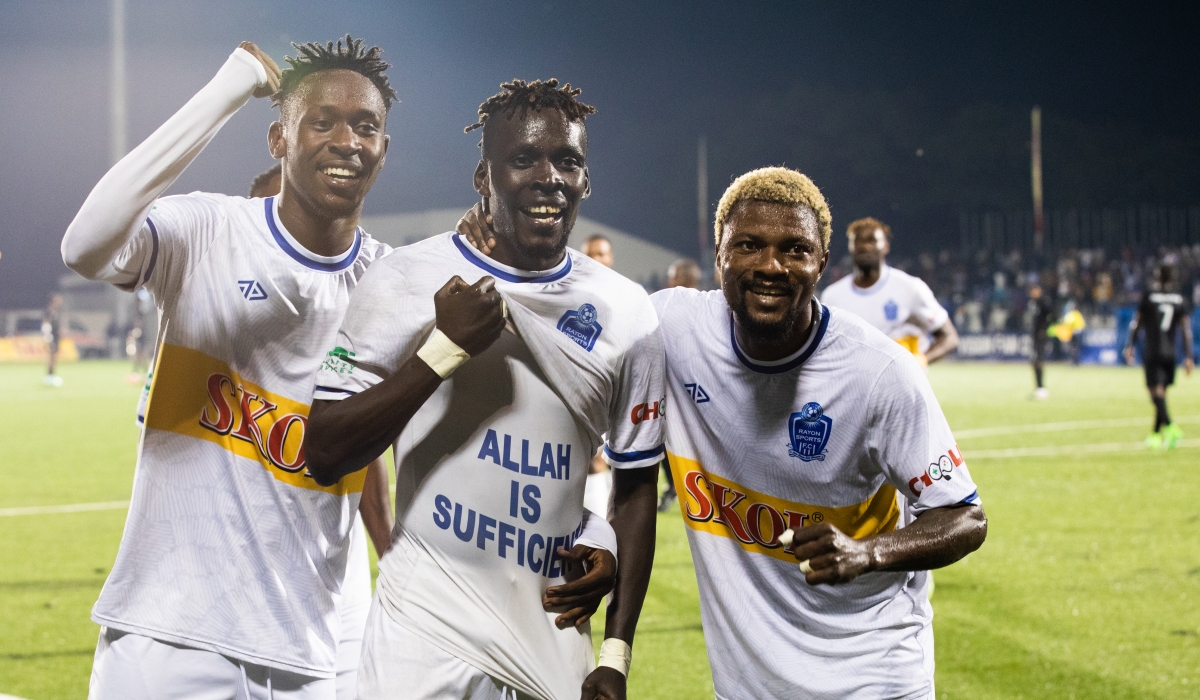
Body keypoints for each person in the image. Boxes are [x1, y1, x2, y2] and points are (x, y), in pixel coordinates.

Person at [62, 36, 398, 699]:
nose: (346, 139)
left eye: (366, 125)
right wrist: (228, 88)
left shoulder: (393, 282)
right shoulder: (208, 232)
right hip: (166, 637)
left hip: (309, 651)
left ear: (383, 149)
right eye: (321, 120)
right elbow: (85, 246)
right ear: (278, 138)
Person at [307, 78, 662, 700]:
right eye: (523, 158)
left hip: (551, 629)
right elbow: (325, 451)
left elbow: (634, 486)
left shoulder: (625, 311)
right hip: (423, 632)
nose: (547, 176)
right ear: (484, 177)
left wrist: (615, 650)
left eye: (568, 161)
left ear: (586, 182)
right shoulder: (407, 278)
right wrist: (442, 351)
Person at [651, 167, 986, 698]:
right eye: (747, 245)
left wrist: (866, 553)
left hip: (872, 677)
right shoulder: (673, 328)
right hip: (749, 688)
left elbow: (965, 516)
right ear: (718, 255)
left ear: (822, 264)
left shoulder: (879, 372)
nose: (770, 266)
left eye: (794, 249)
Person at [241, 160, 394, 699]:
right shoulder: (221, 327)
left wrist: (388, 553)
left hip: (337, 551)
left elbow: (365, 450)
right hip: (246, 553)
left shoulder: (355, 310)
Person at [821, 217, 959, 367]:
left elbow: (949, 337)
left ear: (885, 246)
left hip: (899, 386)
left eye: (872, 240)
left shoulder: (910, 288)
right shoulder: (832, 296)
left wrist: (922, 360)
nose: (865, 246)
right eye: (858, 241)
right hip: (853, 387)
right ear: (850, 247)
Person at [1124, 264, 1194, 450]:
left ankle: (1170, 426)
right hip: (1171, 352)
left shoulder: (1149, 297)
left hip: (1153, 350)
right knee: (1162, 393)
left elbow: (1136, 322)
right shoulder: (1179, 299)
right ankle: (1155, 435)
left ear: (1158, 277)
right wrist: (1189, 356)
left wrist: (1130, 345)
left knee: (1154, 394)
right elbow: (1186, 330)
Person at [655, 257, 703, 512]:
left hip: (690, 398)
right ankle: (675, 488)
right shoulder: (661, 306)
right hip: (674, 395)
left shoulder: (708, 314)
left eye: (677, 278)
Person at [1026, 282, 1054, 399]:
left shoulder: (1043, 302)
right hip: (1034, 336)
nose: (1032, 292)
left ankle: (1042, 388)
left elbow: (1053, 316)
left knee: (1039, 361)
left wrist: (1044, 329)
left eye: (1034, 290)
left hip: (1041, 337)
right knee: (1034, 362)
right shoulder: (1032, 303)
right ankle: (1038, 387)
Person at [42, 293, 64, 386]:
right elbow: (46, 323)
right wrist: (47, 336)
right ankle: (49, 376)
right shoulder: (49, 311)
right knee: (51, 357)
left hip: (56, 337)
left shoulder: (56, 311)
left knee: (55, 357)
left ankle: (52, 375)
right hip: (51, 337)